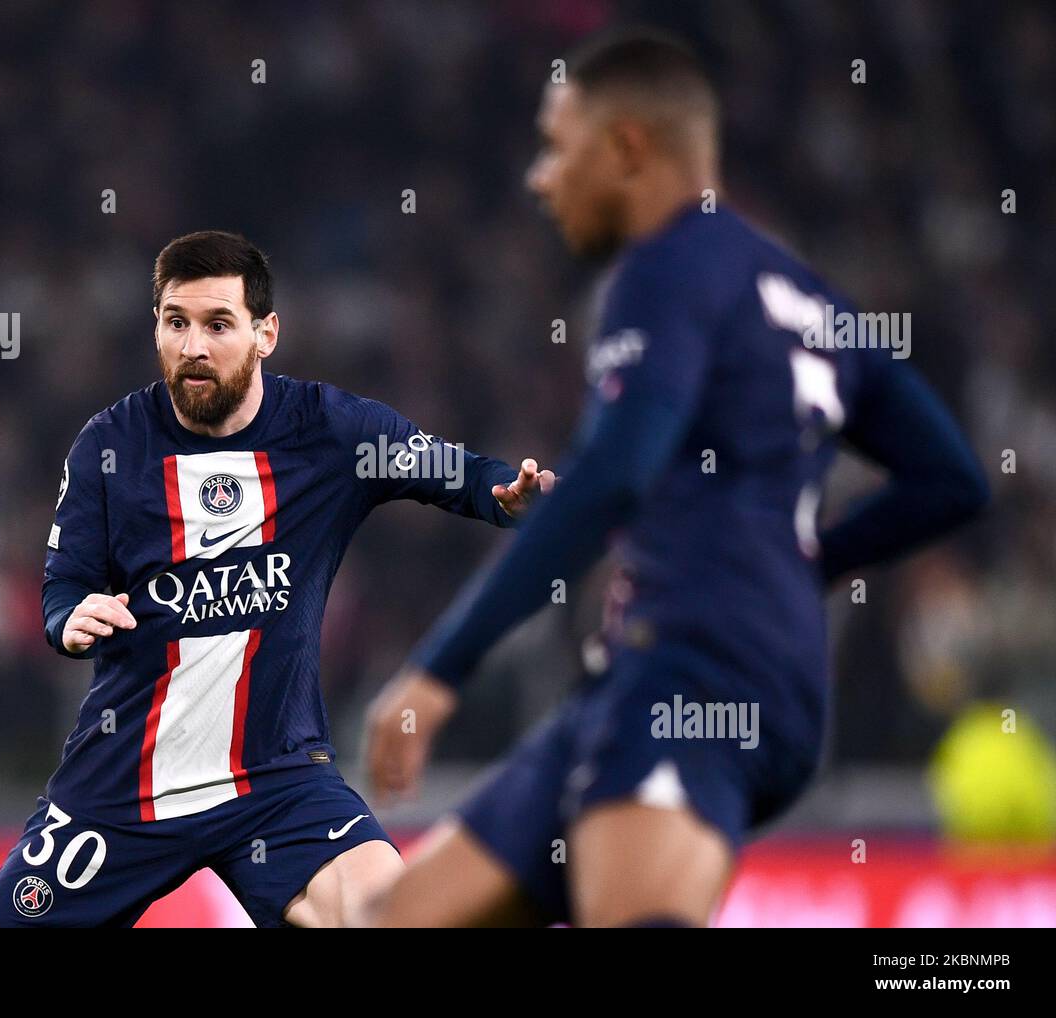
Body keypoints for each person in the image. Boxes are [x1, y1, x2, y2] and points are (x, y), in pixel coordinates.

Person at [362, 31, 989, 927]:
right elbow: (952, 478)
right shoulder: (807, 297)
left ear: (626, 148)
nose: (542, 177)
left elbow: (615, 473)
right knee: (396, 919)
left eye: (557, 145)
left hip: (700, 675)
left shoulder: (664, 267)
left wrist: (441, 667)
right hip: (670, 671)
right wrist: (802, 564)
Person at [0, 230, 553, 927]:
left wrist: (503, 495)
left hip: (276, 780)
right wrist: (70, 621)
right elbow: (64, 587)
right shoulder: (110, 444)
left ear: (265, 333)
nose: (193, 346)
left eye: (218, 325)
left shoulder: (330, 431)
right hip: (124, 786)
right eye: (175, 322)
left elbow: (451, 472)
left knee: (394, 915)